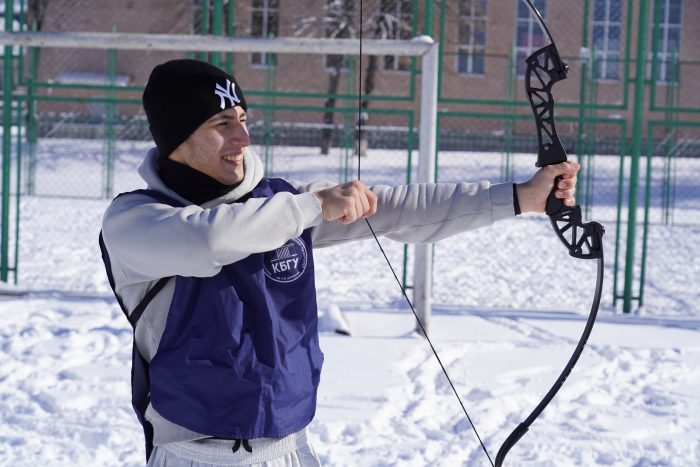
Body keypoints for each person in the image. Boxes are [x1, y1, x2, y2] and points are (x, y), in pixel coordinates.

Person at [99, 59, 580, 467]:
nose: (243, 137)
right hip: (195, 456)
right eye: (222, 124)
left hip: (291, 448)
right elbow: (208, 241)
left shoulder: (282, 204)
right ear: (177, 138)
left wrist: (518, 197)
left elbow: (397, 208)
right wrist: (313, 208)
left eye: (243, 118)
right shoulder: (135, 220)